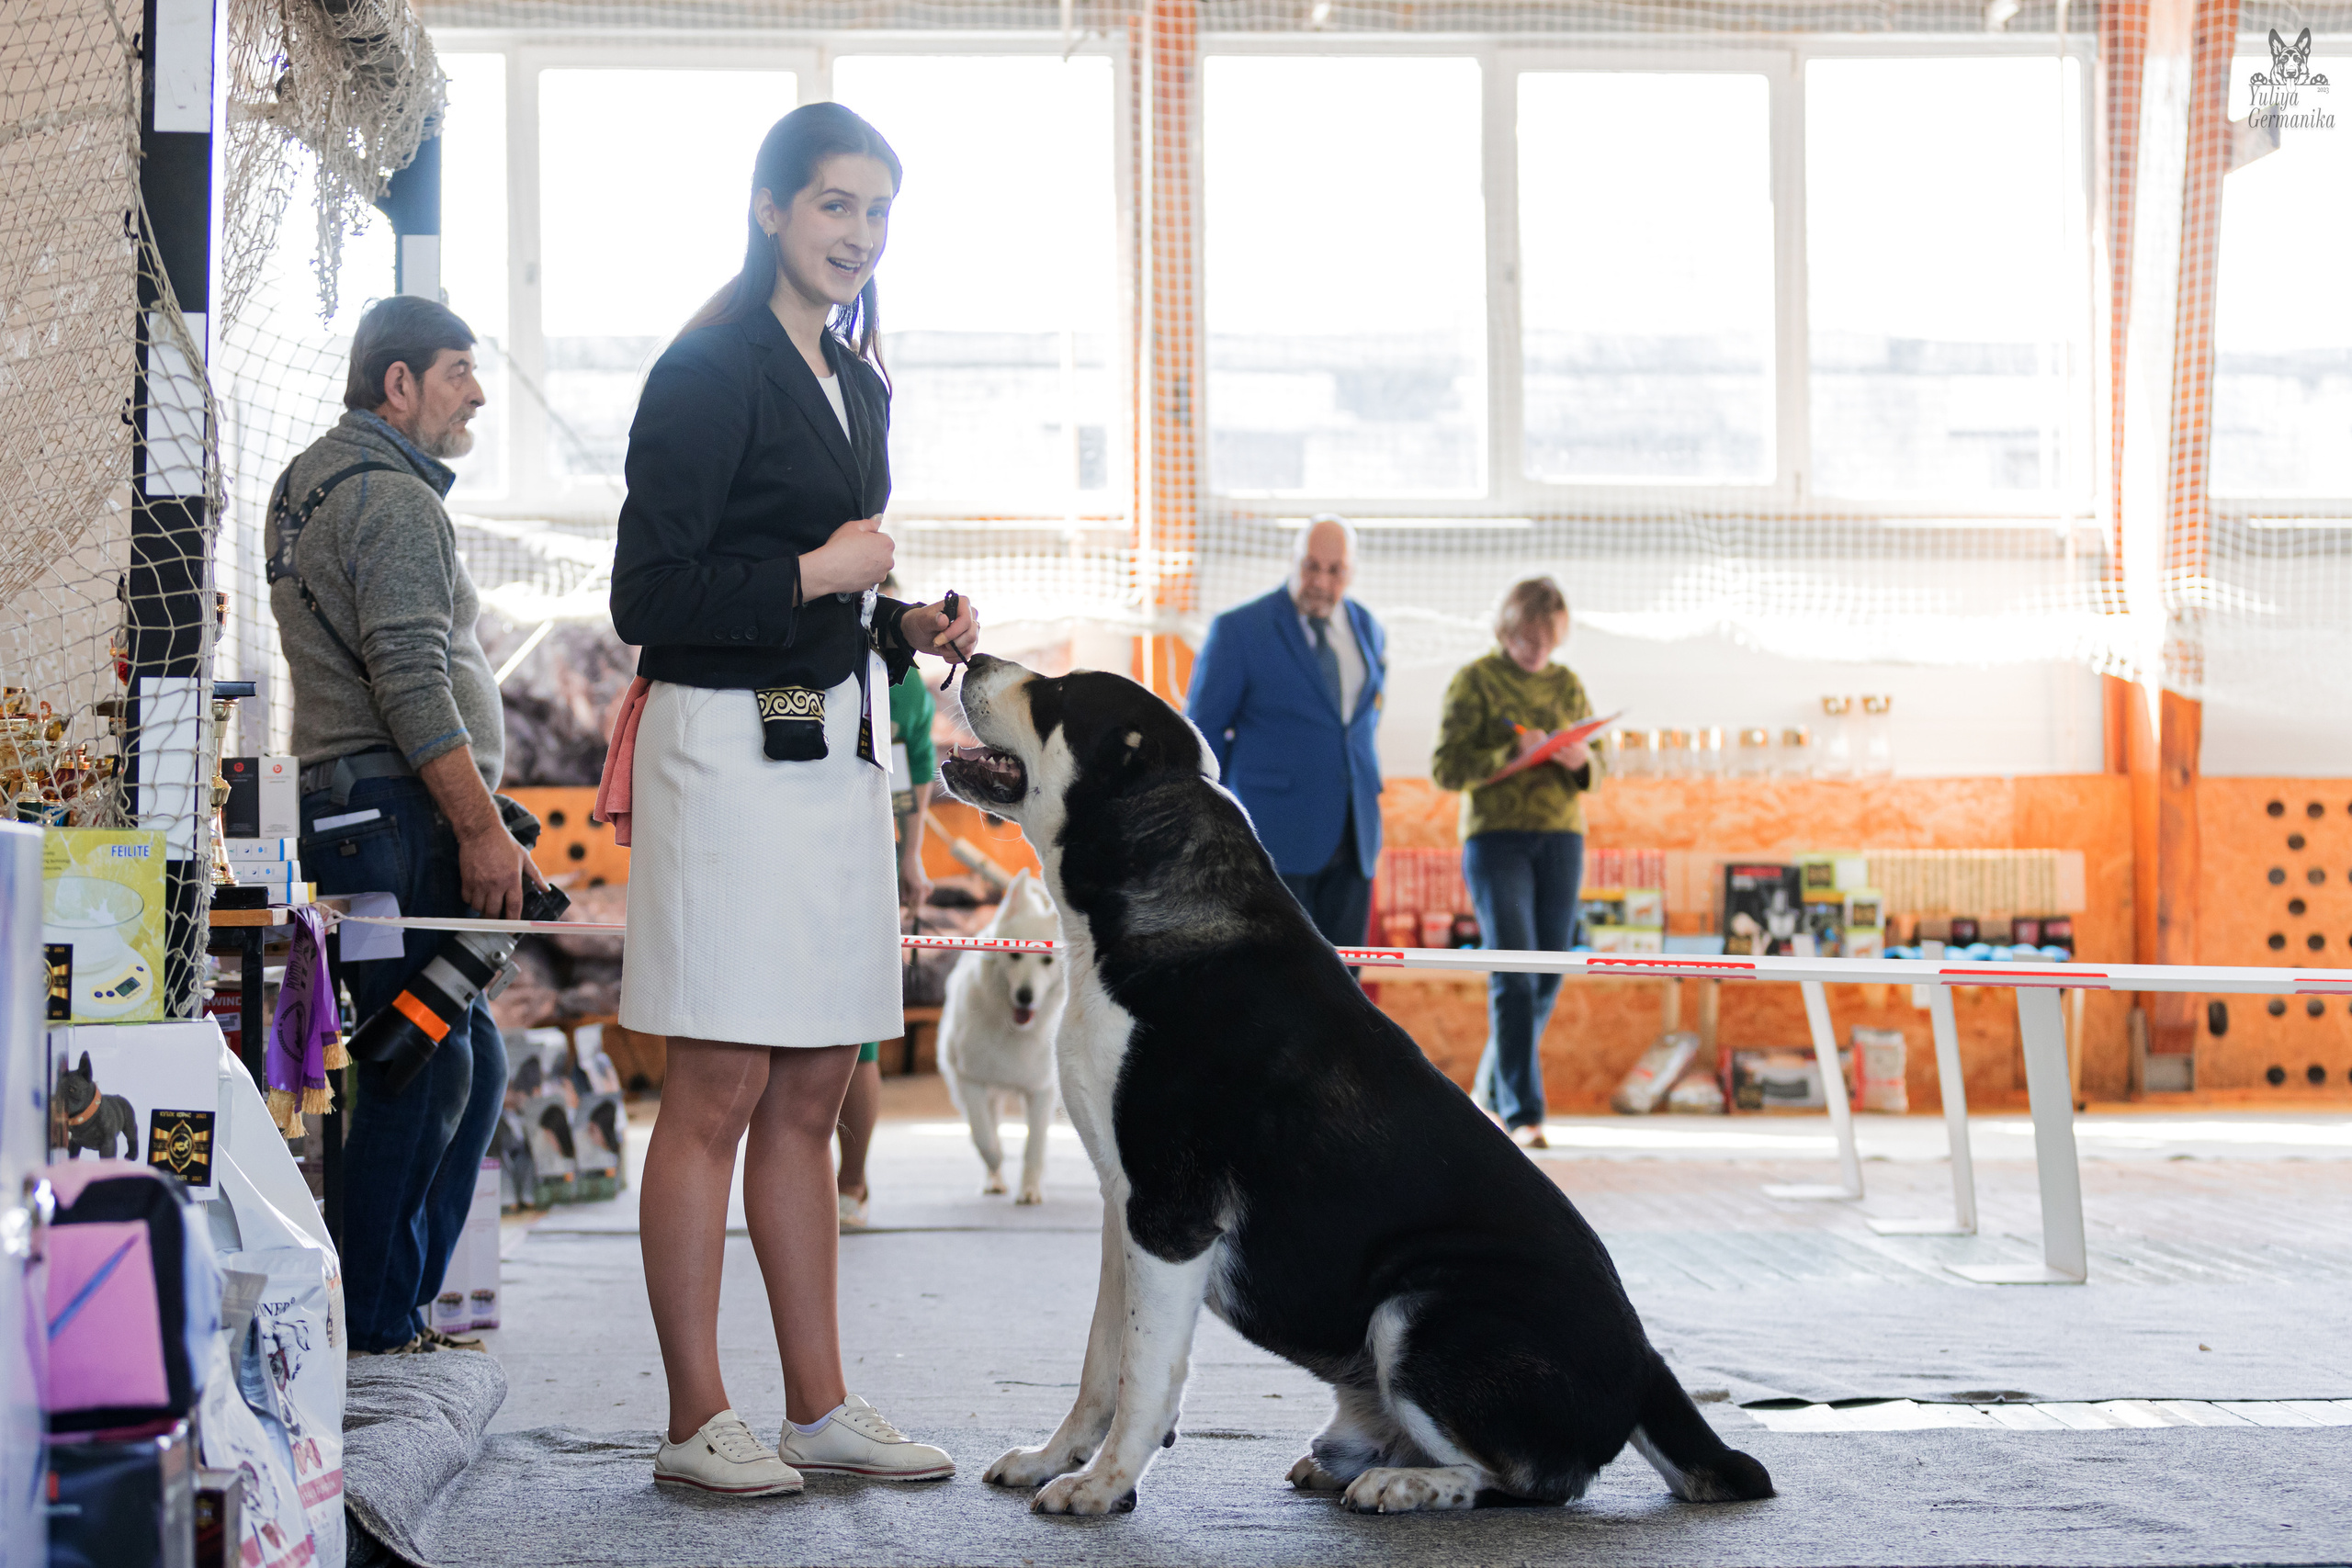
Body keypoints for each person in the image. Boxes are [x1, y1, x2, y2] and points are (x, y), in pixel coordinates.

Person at [608, 102, 976, 1500]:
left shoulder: (857, 377)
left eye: (877, 214)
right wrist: (826, 578)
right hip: (721, 755)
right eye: (834, 205)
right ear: (770, 208)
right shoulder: (706, 371)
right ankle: (699, 1411)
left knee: (821, 1079)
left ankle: (818, 1404)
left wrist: (905, 625)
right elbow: (650, 598)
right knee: (718, 1082)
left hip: (836, 756)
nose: (856, 235)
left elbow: (837, 584)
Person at [269, 294, 541, 1356]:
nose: (475, 393)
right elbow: (412, 680)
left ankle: (393, 1308)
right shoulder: (389, 498)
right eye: (459, 370)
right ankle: (378, 1320)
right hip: (398, 819)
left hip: (364, 817)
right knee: (416, 1064)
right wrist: (481, 830)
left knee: (445, 1057)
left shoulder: (311, 482)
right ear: (398, 383)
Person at [1430, 577, 1602, 1151]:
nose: (1536, 650)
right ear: (1507, 627)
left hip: (1560, 838)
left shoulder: (1569, 683)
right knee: (1513, 971)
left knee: (1548, 972)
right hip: (1495, 839)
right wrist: (1514, 753)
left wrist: (1579, 759)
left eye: (1547, 639)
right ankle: (1523, 1114)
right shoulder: (1475, 681)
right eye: (1527, 637)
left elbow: (1599, 767)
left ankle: (1486, 1092)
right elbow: (1447, 768)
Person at [1184, 515, 1386, 951]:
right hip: (1270, 838)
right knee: (1276, 986)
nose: (1320, 581)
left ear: (1350, 573)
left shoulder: (1369, 628)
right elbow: (1202, 735)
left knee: (1345, 990)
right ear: (1292, 561)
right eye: (1311, 566)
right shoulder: (1239, 630)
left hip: (1356, 839)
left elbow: (1358, 725)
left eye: (1335, 571)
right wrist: (1204, 834)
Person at [835, 575, 937, 1232]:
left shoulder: (903, 682)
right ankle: (845, 1185)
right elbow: (921, 763)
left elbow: (921, 763)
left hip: (865, 857)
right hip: (856, 854)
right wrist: (911, 853)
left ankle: (850, 1182)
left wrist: (910, 855)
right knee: (855, 1035)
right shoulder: (908, 680)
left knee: (860, 1038)